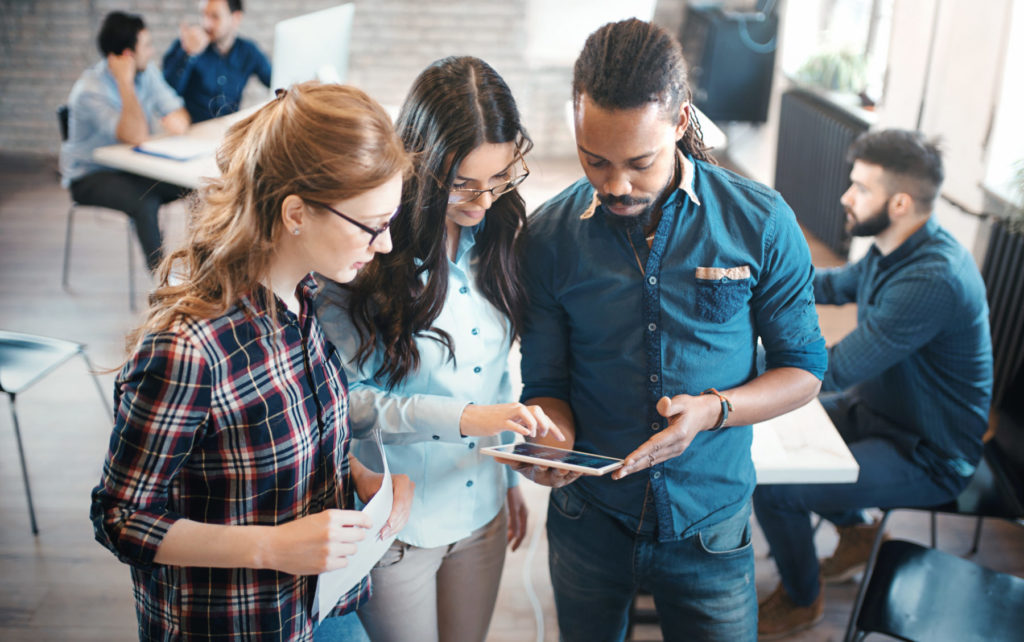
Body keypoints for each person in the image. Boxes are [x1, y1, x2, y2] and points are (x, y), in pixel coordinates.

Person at [512, 18, 828, 641]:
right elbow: (546, 381)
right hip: (589, 516)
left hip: (711, 525)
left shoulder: (760, 222)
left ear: (681, 121)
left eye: (639, 161)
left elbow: (804, 370)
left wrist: (712, 410)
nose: (616, 185)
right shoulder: (547, 239)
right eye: (594, 159)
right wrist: (552, 441)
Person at [90, 82, 415, 641]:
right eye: (373, 225)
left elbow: (290, 445)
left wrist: (360, 480)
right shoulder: (188, 350)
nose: (384, 245)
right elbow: (119, 519)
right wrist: (270, 546)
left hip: (310, 613)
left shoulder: (304, 300)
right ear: (295, 213)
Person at [315, 56, 560, 642]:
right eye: (463, 184)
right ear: (420, 164)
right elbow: (345, 403)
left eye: (500, 179)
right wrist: (466, 419)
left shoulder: (496, 238)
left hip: (481, 511)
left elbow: (496, 375)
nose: (483, 201)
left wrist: (507, 482)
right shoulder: (367, 255)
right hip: (399, 523)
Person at [753, 129, 993, 639]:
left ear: (900, 202)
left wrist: (731, 363)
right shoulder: (895, 247)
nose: (846, 196)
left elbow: (831, 369)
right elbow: (831, 285)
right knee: (782, 433)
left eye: (860, 187)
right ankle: (856, 530)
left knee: (774, 486)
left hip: (929, 452)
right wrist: (752, 275)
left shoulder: (933, 278)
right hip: (883, 413)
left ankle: (802, 599)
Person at [60, 10, 191, 272]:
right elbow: (136, 135)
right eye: (147, 46)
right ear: (128, 55)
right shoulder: (89, 92)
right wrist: (125, 81)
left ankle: (209, 269)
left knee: (196, 186)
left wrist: (177, 118)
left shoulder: (148, 72)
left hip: (132, 166)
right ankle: (163, 286)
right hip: (89, 176)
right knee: (145, 201)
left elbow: (178, 111)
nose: (152, 52)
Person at [162, 0, 270, 123]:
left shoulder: (248, 51)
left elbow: (274, 80)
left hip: (229, 129)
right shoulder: (186, 45)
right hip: (193, 130)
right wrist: (188, 54)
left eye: (215, 17)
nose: (206, 23)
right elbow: (166, 92)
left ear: (236, 18)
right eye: (204, 15)